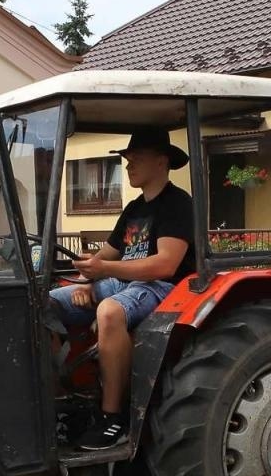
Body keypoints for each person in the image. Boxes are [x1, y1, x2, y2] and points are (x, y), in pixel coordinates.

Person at [50, 129, 194, 450]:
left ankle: (113, 417)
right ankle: (56, 402)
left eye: (136, 159)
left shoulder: (178, 205)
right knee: (45, 305)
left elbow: (165, 265)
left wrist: (104, 272)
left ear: (161, 162)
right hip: (124, 281)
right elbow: (108, 254)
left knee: (110, 310)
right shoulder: (134, 209)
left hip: (163, 288)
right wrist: (89, 279)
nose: (128, 166)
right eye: (127, 160)